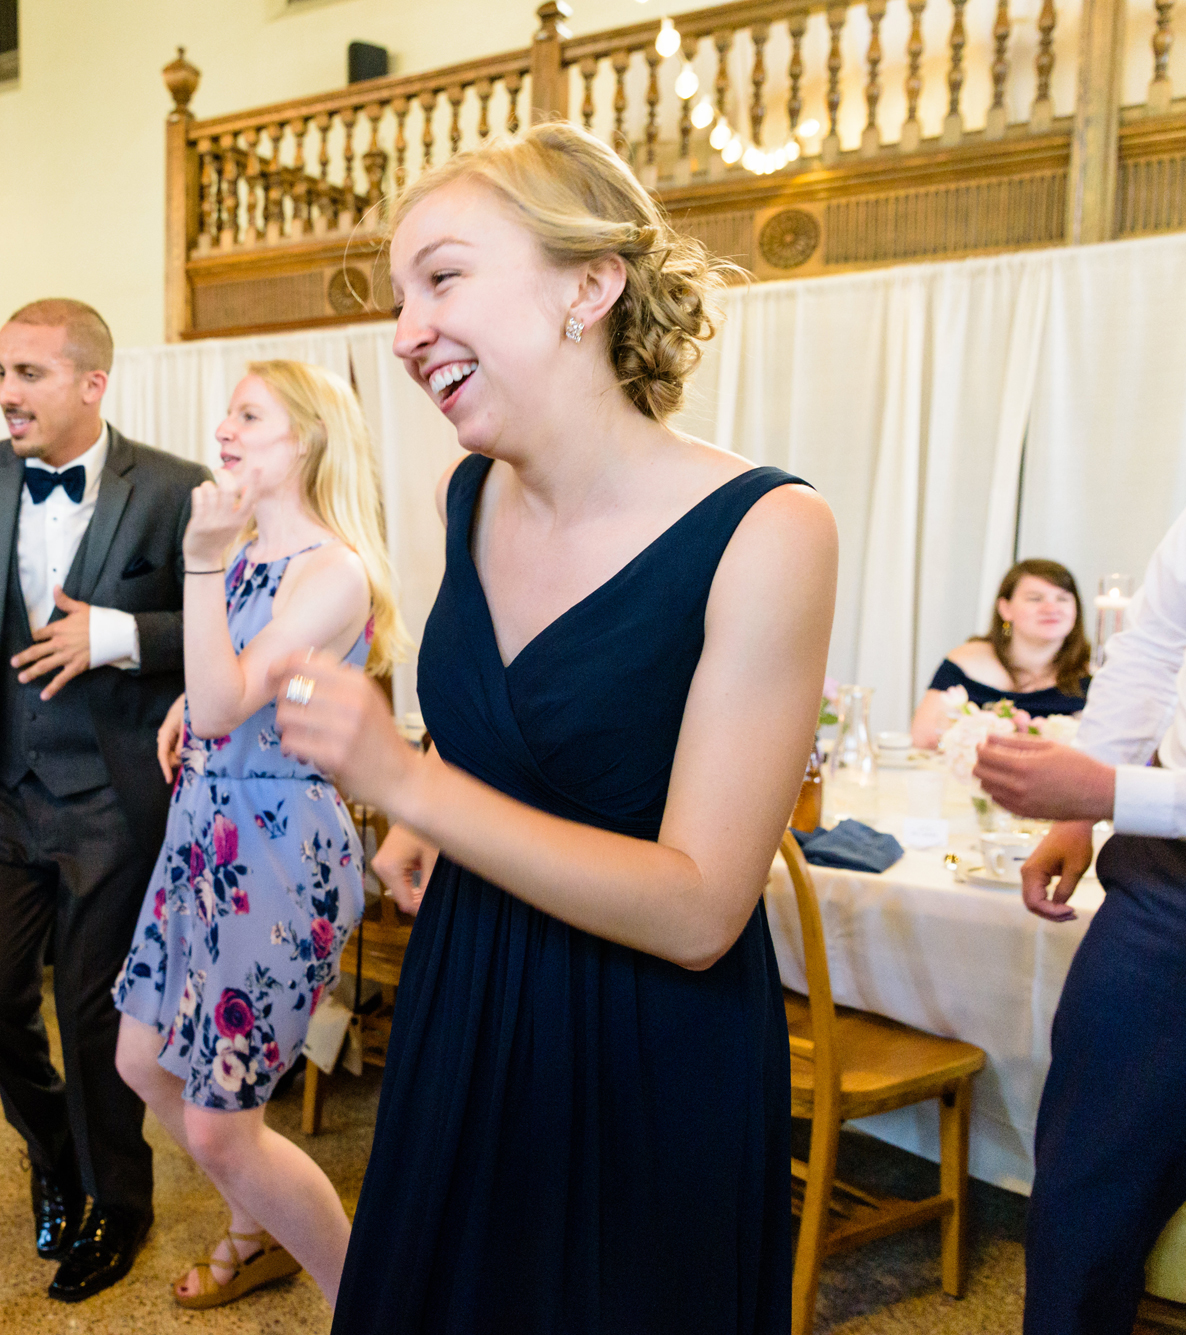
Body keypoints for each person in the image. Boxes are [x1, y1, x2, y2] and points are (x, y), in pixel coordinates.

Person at [267, 120, 836, 1331]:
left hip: (644, 1050)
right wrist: (441, 793)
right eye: (399, 291)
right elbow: (514, 744)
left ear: (588, 284)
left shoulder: (768, 531)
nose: (404, 327)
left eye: (444, 276)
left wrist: (410, 787)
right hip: (466, 1000)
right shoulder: (457, 496)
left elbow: (696, 911)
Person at [0, 298, 211, 1302]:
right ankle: (50, 1149)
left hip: (115, 798)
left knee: (92, 1021)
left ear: (92, 382)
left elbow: (213, 629)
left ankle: (118, 1206)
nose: (5, 393)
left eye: (30, 372)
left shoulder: (173, 489)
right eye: (1, 370)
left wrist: (117, 636)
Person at [112, 360, 406, 1309]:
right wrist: (181, 710)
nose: (225, 427)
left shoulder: (334, 570)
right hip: (202, 833)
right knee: (140, 1059)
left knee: (217, 1126)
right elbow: (217, 686)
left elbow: (229, 694)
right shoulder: (248, 555)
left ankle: (360, 1298)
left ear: (309, 438)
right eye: (227, 412)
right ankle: (255, 1227)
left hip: (276, 853)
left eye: (250, 414)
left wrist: (199, 564)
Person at [974, 433, 1186, 1335]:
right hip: (1171, 880)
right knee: (1089, 1182)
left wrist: (1111, 790)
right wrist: (1080, 809)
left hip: (1161, 818)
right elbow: (1159, 639)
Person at [912, 558, 1091, 747]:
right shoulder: (965, 663)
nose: (1051, 608)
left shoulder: (1094, 672)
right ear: (1005, 609)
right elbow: (924, 739)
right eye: (1035, 598)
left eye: (1062, 599)